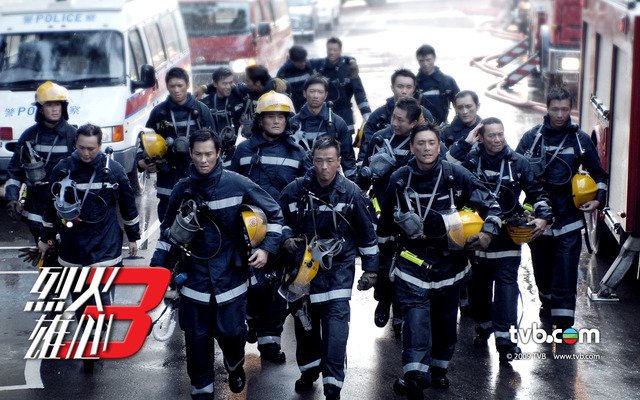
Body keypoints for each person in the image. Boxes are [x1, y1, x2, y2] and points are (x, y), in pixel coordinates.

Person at [151, 129, 284, 399]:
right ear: (190, 153)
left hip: (231, 279)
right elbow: (167, 235)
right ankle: (202, 391)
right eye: (198, 154)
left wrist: (266, 249)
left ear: (219, 153)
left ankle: (234, 364)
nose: (203, 160)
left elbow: (275, 213)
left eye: (209, 154)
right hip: (194, 282)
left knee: (233, 334)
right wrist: (157, 274)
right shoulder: (182, 190)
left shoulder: (238, 184)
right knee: (196, 341)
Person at [377, 123, 501, 399]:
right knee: (416, 321)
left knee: (445, 323)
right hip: (412, 263)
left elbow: (492, 204)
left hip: (450, 264)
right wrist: (379, 271)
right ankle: (414, 376)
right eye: (420, 143)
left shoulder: (455, 174)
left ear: (439, 146)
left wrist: (487, 233)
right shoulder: (398, 179)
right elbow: (384, 226)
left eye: (431, 143)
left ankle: (438, 369)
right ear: (412, 147)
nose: (426, 148)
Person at [279, 136, 379, 400]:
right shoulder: (295, 190)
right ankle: (309, 371)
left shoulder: (352, 193)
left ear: (339, 162)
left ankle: (333, 387)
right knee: (305, 326)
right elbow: (279, 220)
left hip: (338, 272)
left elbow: (367, 234)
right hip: (302, 273)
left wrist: (371, 270)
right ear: (312, 161)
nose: (324, 167)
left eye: (330, 161)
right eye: (319, 160)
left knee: (336, 331)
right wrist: (286, 238)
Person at [446, 117, 553, 362]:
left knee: (507, 287)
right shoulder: (470, 161)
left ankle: (506, 342)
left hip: (507, 238)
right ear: (481, 138)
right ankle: (483, 326)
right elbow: (446, 165)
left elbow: (536, 193)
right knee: (478, 289)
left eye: (500, 134)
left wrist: (543, 217)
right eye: (491, 135)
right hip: (475, 236)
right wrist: (465, 143)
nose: (497, 139)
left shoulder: (518, 163)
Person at [39, 123, 141, 371]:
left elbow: (128, 204)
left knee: (101, 296)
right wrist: (46, 238)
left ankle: (95, 335)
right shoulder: (62, 169)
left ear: (100, 146)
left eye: (91, 149)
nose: (86, 153)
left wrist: (133, 236)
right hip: (72, 247)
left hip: (105, 247)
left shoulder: (113, 170)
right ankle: (89, 333)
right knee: (80, 298)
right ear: (75, 145)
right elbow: (50, 207)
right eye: (82, 148)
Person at [516, 87, 607, 329]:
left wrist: (598, 200)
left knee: (566, 272)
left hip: (569, 218)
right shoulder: (531, 138)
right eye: (555, 109)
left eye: (565, 109)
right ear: (547, 108)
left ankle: (564, 324)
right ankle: (547, 304)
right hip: (538, 219)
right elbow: (514, 174)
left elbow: (599, 175)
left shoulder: (580, 140)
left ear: (570, 109)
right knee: (542, 271)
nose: (560, 115)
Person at [230, 91, 307, 363]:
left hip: (284, 232)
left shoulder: (298, 153)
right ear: (260, 119)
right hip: (248, 229)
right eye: (271, 116)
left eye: (281, 116)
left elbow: (307, 192)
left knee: (277, 286)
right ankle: (251, 318)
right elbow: (231, 187)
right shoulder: (243, 151)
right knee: (251, 283)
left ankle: (270, 342)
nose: (276, 121)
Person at [356, 96, 427, 335]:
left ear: (413, 123)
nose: (395, 123)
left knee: (407, 261)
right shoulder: (379, 138)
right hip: (381, 211)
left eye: (401, 120)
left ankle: (401, 311)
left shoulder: (421, 142)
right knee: (384, 260)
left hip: (411, 214)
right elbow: (362, 176)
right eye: (394, 117)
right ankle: (383, 300)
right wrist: (367, 175)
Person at [138, 67, 215, 221]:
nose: (176, 90)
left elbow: (215, 143)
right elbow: (145, 141)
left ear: (187, 85)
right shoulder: (158, 113)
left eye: (180, 85)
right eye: (172, 86)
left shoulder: (201, 111)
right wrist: (142, 161)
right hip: (168, 175)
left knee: (201, 220)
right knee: (168, 220)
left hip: (197, 172)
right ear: (167, 86)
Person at [6, 81, 76, 245]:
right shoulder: (30, 135)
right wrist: (12, 198)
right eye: (49, 105)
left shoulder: (72, 135)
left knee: (67, 250)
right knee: (43, 249)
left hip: (64, 204)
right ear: (40, 108)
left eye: (58, 104)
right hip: (36, 206)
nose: (55, 109)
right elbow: (15, 170)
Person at [356, 69, 434, 163]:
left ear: (414, 90)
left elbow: (434, 146)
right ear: (392, 88)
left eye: (409, 87)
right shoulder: (377, 116)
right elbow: (366, 150)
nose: (404, 91)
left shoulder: (424, 115)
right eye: (400, 86)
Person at [290, 75, 357, 178]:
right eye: (312, 91)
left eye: (320, 92)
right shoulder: (293, 123)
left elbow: (348, 160)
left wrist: (353, 184)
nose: (315, 96)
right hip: (300, 179)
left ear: (326, 95)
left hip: (330, 179)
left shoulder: (338, 123)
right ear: (304, 93)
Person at [309, 37, 371, 133]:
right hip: (325, 114)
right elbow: (302, 63)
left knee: (346, 140)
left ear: (340, 51)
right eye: (330, 49)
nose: (332, 52)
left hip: (345, 114)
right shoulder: (320, 66)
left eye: (335, 50)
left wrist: (366, 114)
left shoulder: (350, 68)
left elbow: (359, 92)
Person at [200, 67, 244, 167]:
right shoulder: (205, 103)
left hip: (234, 149)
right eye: (224, 83)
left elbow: (256, 86)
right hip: (211, 149)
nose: (228, 87)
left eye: (230, 83)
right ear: (215, 84)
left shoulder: (239, 98)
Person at [236, 65, 289, 137]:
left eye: (248, 81)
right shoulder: (253, 90)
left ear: (258, 83)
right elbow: (239, 88)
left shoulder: (278, 97)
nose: (246, 83)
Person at [414, 44, 460, 125]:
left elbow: (459, 104)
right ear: (417, 60)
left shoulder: (448, 81)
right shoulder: (413, 83)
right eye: (421, 61)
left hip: (443, 125)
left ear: (434, 58)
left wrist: (456, 123)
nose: (425, 63)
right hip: (419, 126)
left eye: (428, 60)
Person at [277, 45, 314, 112]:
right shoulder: (284, 72)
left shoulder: (308, 67)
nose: (303, 63)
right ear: (293, 61)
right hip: (292, 106)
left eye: (304, 60)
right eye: (300, 62)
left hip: (308, 105)